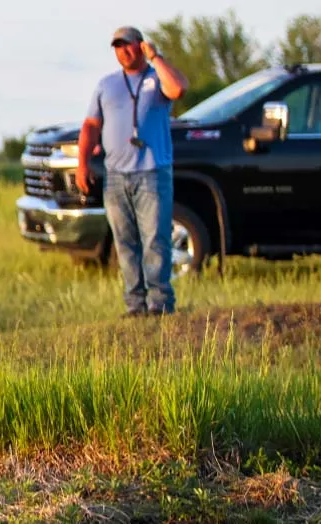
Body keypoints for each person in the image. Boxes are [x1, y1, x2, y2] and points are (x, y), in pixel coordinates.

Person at [75, 25, 189, 316]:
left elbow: (178, 88)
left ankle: (160, 303)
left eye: (128, 45)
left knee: (155, 239)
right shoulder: (107, 85)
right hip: (116, 176)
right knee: (125, 242)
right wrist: (82, 164)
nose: (124, 51)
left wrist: (156, 57)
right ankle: (135, 305)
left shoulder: (156, 78)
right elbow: (90, 126)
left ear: (140, 45)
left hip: (152, 172)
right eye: (118, 46)